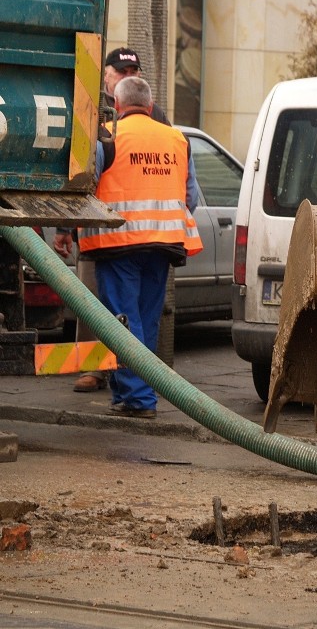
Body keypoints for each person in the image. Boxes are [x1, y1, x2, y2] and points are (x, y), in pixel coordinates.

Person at [76, 76, 202, 418]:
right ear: (150, 105)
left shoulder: (107, 135)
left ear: (117, 105)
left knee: (123, 320)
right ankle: (129, 393)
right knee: (144, 320)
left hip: (120, 242)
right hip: (163, 244)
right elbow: (189, 195)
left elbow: (87, 184)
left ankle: (138, 399)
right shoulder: (177, 139)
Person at [54, 47, 172, 392]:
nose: (126, 74)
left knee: (122, 316)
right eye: (120, 70)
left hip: (119, 239)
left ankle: (135, 392)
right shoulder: (93, 113)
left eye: (132, 70)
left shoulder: (130, 123)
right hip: (134, 237)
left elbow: (84, 177)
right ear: (105, 75)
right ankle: (110, 375)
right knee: (104, 308)